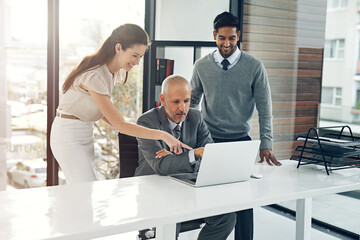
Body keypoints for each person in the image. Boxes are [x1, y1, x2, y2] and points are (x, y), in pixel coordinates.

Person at [50, 24, 190, 184]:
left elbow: (105, 115)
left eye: (141, 57)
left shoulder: (110, 73)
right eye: (134, 55)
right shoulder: (95, 75)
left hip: (85, 132)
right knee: (85, 188)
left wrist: (134, 131)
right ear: (118, 48)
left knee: (81, 190)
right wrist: (163, 135)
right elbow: (120, 124)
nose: (137, 62)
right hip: (68, 134)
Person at [190, 11, 282, 240]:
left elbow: (265, 109)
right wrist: (187, 138)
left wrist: (266, 143)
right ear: (214, 36)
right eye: (222, 38)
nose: (227, 43)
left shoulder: (254, 66)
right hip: (208, 141)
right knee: (211, 198)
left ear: (238, 36)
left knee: (243, 202)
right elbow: (191, 105)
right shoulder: (201, 66)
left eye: (232, 38)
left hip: (240, 142)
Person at [134, 75, 236, 240]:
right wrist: (194, 153)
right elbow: (161, 167)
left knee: (226, 217)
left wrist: (174, 159)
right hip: (155, 191)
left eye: (187, 101)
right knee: (169, 220)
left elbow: (210, 156)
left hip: (186, 187)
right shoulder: (147, 122)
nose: (182, 108)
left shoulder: (196, 118)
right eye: (176, 102)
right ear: (163, 99)